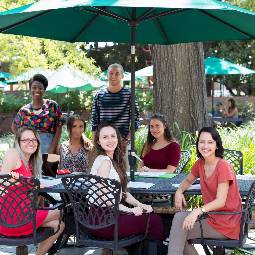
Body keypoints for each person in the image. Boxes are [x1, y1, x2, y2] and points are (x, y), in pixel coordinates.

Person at [167, 127, 242, 255]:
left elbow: (221, 201)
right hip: (212, 216)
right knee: (179, 218)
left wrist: (197, 211)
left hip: (226, 222)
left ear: (217, 145)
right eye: (202, 142)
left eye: (210, 142)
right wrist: (179, 191)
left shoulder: (223, 166)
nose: (205, 146)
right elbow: (187, 181)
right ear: (198, 144)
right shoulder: (200, 163)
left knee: (178, 232)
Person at [90, 123, 165, 244]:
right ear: (98, 142)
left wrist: (140, 205)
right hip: (103, 221)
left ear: (117, 138)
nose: (110, 140)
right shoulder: (104, 162)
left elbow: (123, 193)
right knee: (155, 221)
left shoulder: (111, 160)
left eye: (113, 136)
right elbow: (104, 199)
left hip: (108, 216)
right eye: (105, 137)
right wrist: (129, 210)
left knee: (149, 218)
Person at [0, 126, 64, 255]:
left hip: (22, 214)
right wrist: (27, 182)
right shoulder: (13, 153)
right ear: (18, 142)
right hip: (12, 218)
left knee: (59, 224)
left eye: (34, 140)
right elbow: (2, 179)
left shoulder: (29, 164)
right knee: (63, 210)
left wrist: (36, 184)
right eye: (25, 140)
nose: (31, 142)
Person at [11, 74, 64, 154]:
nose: (37, 90)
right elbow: (14, 127)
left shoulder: (53, 106)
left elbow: (59, 129)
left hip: (48, 146)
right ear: (30, 89)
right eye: (34, 87)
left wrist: (52, 149)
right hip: (29, 151)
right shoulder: (24, 111)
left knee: (49, 166)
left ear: (44, 90)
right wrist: (24, 140)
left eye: (40, 88)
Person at [91, 63, 140, 143]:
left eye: (117, 74)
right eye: (111, 73)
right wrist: (94, 143)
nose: (113, 76)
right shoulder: (99, 95)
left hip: (122, 143)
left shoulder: (129, 95)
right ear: (107, 75)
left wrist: (127, 140)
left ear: (122, 76)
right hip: (103, 143)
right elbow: (94, 121)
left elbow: (136, 120)